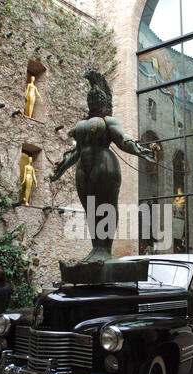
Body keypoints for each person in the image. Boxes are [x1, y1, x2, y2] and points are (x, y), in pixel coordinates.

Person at [50, 68, 154, 262]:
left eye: (97, 98)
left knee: (105, 208)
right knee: (91, 210)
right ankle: (96, 248)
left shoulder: (109, 120)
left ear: (104, 101)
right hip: (84, 168)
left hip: (104, 165)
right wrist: (61, 169)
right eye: (91, 98)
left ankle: (105, 249)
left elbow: (122, 139)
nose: (93, 100)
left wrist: (138, 149)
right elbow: (76, 152)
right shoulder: (82, 124)